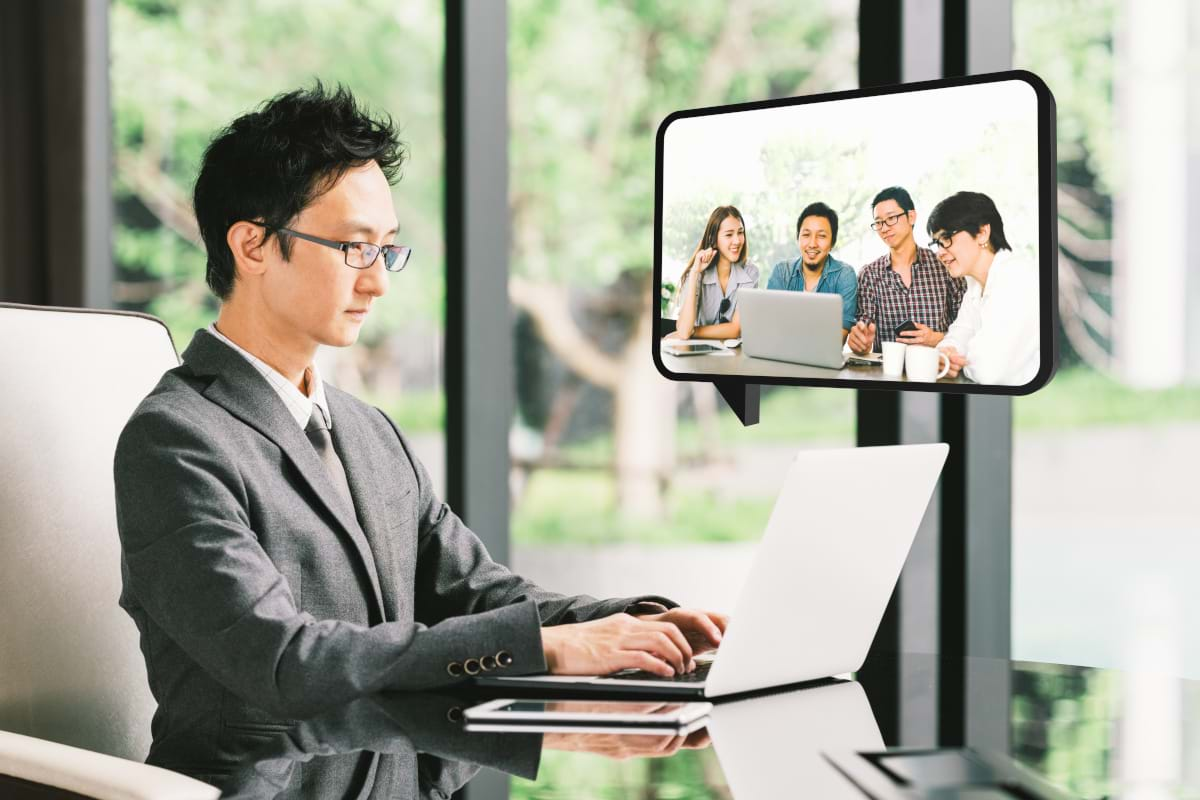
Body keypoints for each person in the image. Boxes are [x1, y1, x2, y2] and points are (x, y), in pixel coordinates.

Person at [113, 84, 727, 766]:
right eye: (355, 248)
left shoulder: (368, 431)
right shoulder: (175, 440)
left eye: (388, 250)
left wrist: (630, 623)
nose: (378, 282)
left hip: (406, 770)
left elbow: (479, 596)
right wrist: (546, 648)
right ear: (253, 246)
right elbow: (282, 662)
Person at [928, 191, 1040, 385]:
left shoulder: (1017, 277)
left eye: (946, 238)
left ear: (982, 233)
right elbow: (956, 337)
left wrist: (955, 361)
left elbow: (989, 370)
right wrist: (946, 354)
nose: (939, 252)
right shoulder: (974, 286)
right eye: (937, 243)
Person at [847, 186, 966, 355]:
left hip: (938, 369)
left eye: (891, 218)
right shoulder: (869, 275)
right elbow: (863, 328)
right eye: (878, 222)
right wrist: (860, 342)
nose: (884, 227)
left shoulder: (944, 264)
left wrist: (936, 338)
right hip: (888, 374)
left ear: (911, 217)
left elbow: (967, 329)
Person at [766, 201, 858, 340]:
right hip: (782, 357)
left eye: (821, 236)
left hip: (822, 360)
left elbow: (839, 336)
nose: (812, 243)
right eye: (806, 235)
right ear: (798, 238)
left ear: (832, 243)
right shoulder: (782, 272)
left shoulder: (844, 275)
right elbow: (770, 326)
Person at [672, 206, 759, 340]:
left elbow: (736, 329)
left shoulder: (750, 272)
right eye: (729, 234)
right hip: (698, 354)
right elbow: (684, 331)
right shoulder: (698, 272)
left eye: (740, 232)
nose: (737, 240)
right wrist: (695, 273)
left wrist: (693, 332)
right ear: (714, 239)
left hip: (732, 355)